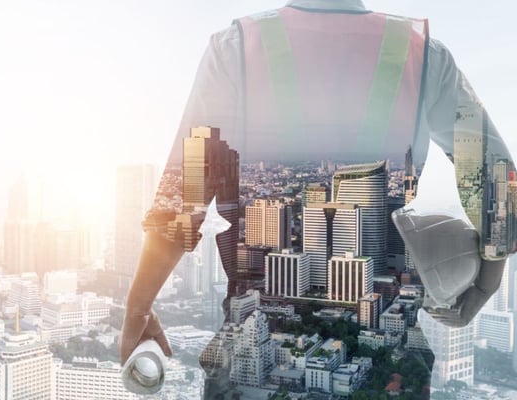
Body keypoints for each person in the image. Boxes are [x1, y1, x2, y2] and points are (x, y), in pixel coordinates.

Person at [120, 0, 514, 397]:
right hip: (390, 376)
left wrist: (138, 307)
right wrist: (485, 283)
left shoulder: (236, 47)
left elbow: (181, 199)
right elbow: (498, 179)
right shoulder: (421, 52)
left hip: (247, 375)